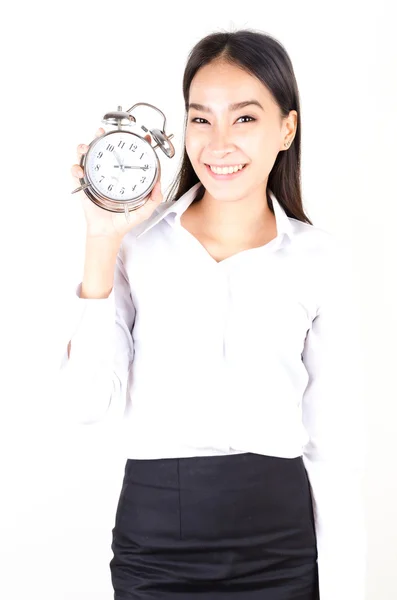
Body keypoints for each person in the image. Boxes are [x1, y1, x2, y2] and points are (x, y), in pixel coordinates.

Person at [60, 29, 367, 600]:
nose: (218, 143)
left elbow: (334, 440)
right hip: (157, 542)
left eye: (244, 118)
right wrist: (101, 240)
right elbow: (84, 404)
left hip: (281, 541)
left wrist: (345, 583)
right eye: (201, 119)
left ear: (286, 129)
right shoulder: (135, 246)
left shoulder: (320, 257)